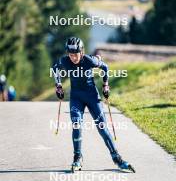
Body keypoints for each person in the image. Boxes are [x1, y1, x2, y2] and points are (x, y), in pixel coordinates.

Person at [52, 37, 135, 172]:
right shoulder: (65, 61)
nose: (73, 57)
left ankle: (117, 158)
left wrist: (106, 85)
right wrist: (58, 85)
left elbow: (105, 67)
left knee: (102, 127)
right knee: (76, 125)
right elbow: (55, 68)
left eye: (76, 54)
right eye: (70, 54)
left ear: (82, 52)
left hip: (92, 96)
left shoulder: (89, 60)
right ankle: (77, 158)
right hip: (76, 97)